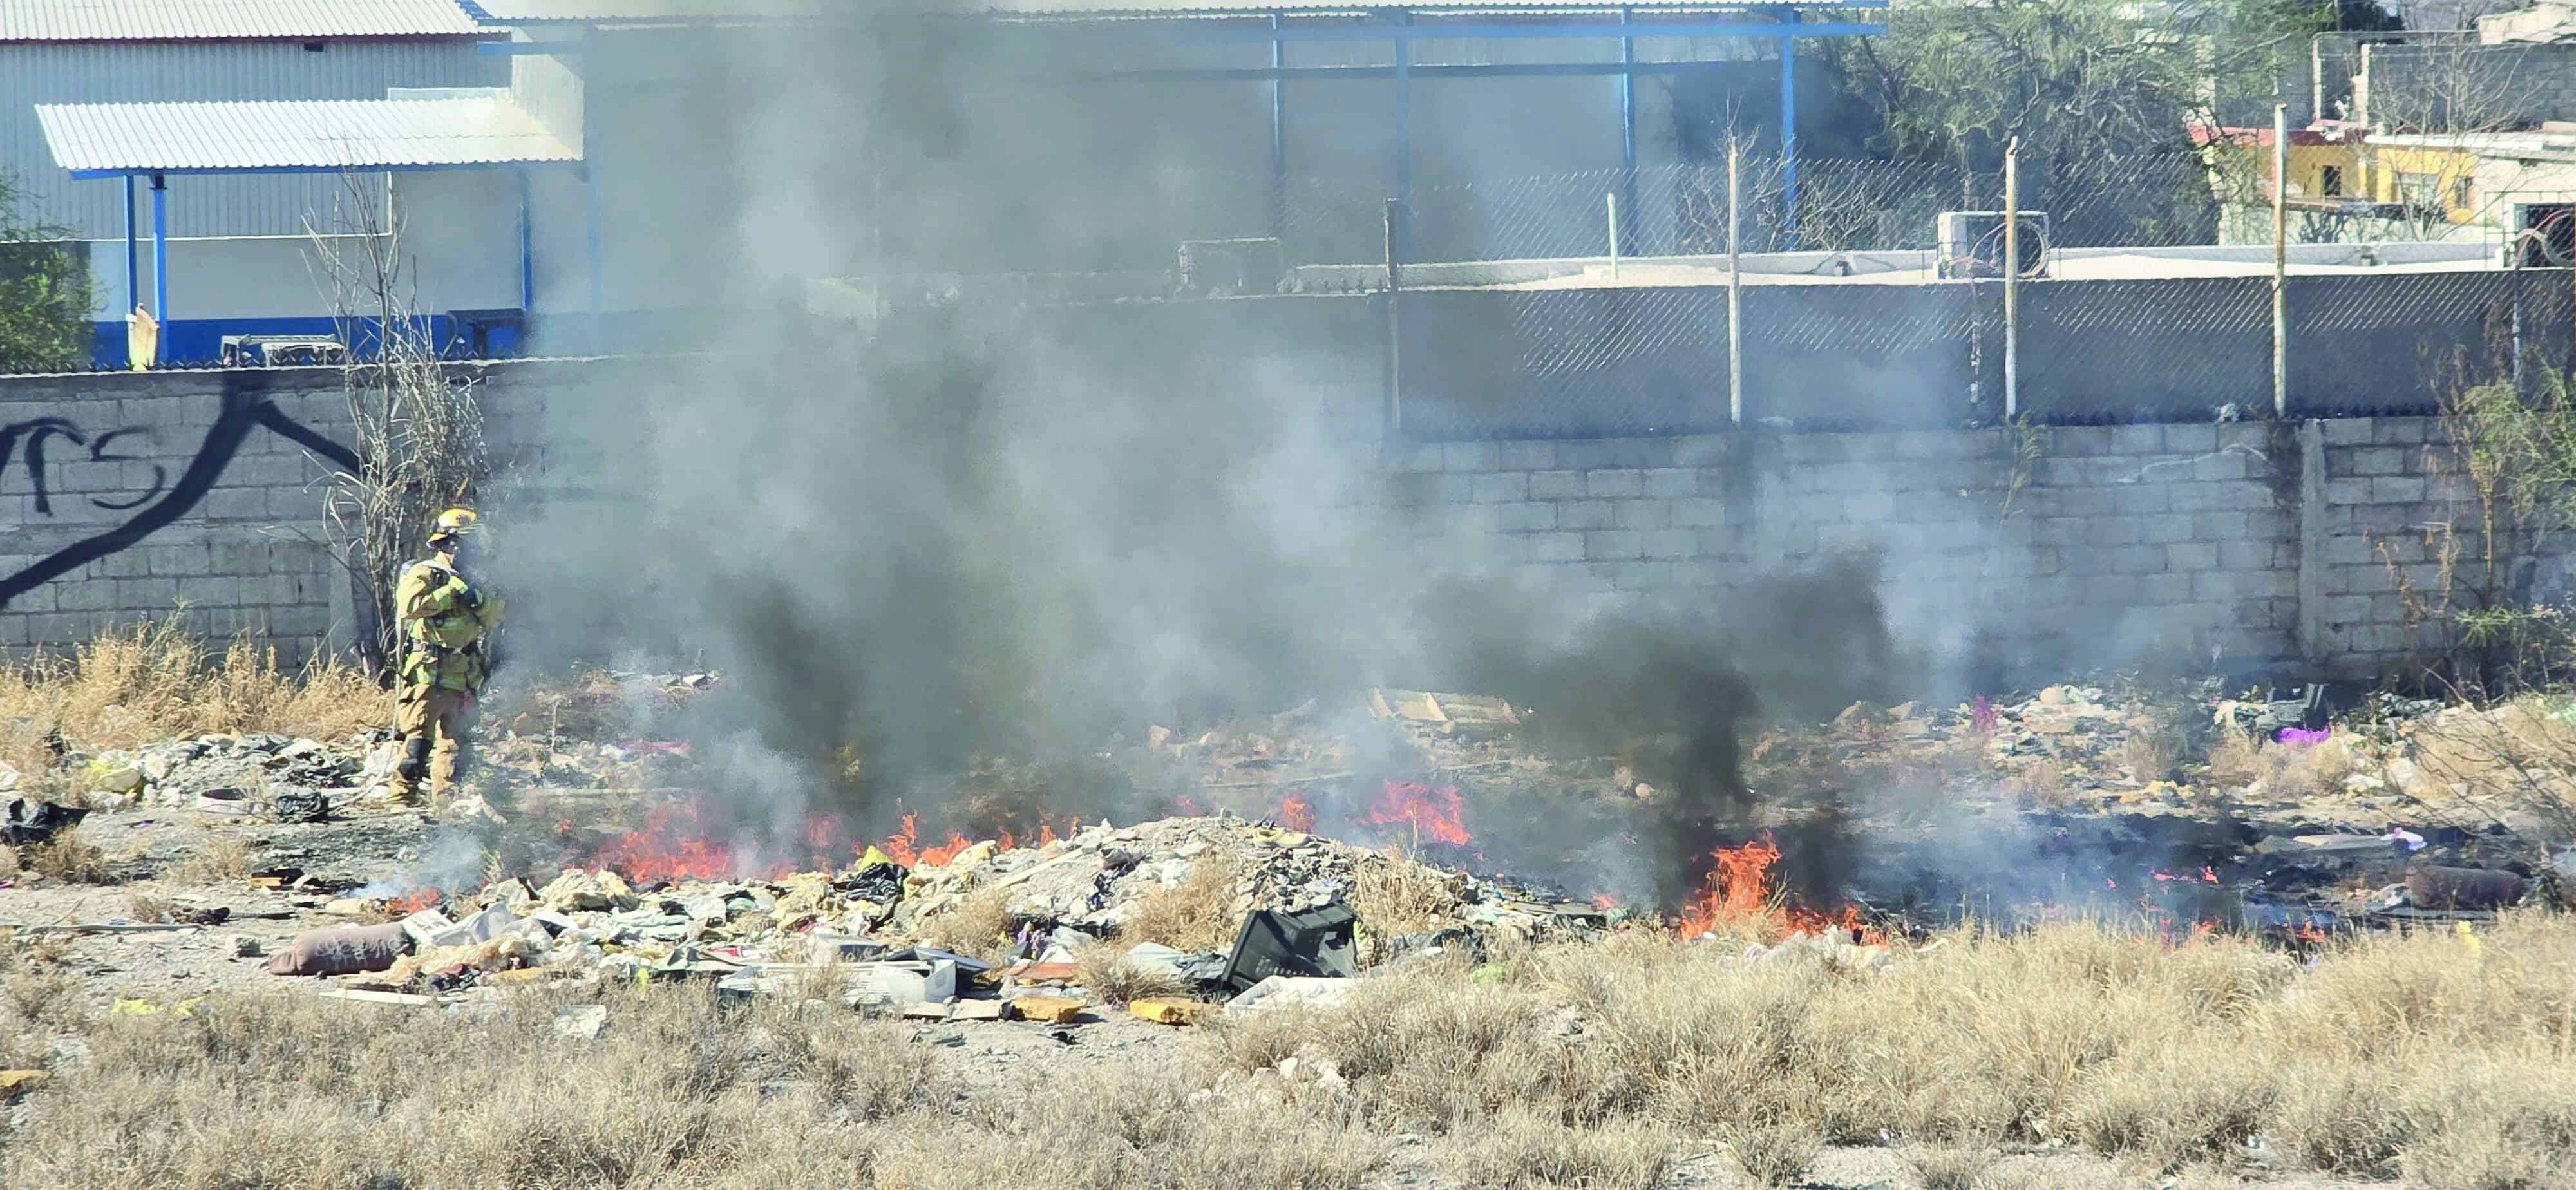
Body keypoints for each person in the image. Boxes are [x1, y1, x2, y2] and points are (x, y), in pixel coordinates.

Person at [389, 507, 504, 806]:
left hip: (463, 674)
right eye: (468, 543)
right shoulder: (425, 573)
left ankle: (446, 807)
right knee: (417, 744)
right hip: (428, 673)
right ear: (450, 544)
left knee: (455, 748)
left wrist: (476, 601)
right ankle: (402, 802)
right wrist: (447, 594)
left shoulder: (476, 580)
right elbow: (409, 607)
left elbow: (494, 618)